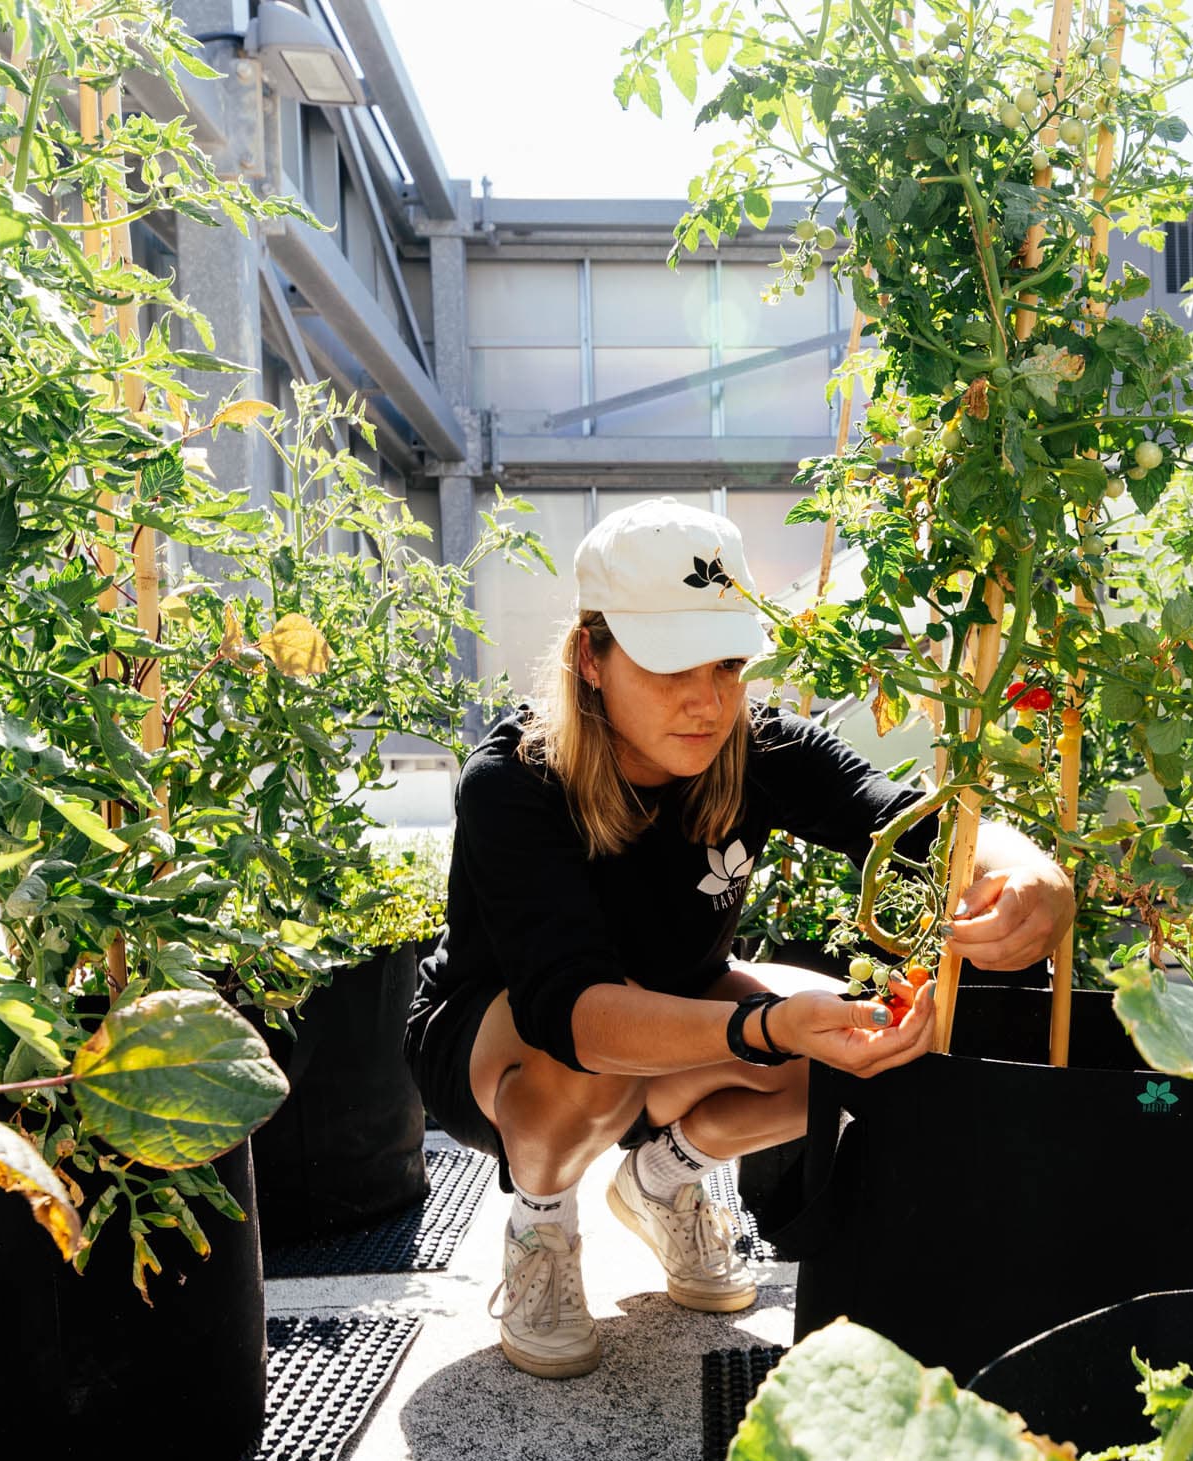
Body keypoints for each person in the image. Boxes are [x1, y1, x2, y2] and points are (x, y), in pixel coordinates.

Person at [405, 498, 1074, 1379]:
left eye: (727, 662)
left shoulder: (756, 749)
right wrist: (763, 1027)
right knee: (594, 1073)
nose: (707, 699)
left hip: (682, 1004)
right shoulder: (516, 780)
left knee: (880, 1042)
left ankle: (664, 1179)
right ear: (590, 658)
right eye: (669, 662)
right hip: (512, 1047)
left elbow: (906, 821)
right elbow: (572, 1012)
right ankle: (541, 1220)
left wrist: (1031, 868)